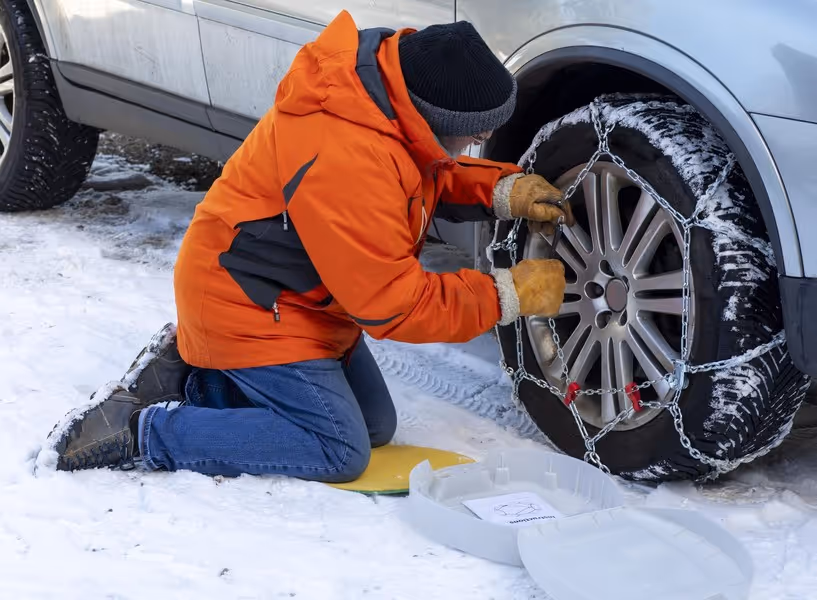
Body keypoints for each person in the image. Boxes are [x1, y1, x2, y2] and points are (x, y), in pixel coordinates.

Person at [50, 10, 574, 481]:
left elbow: (424, 166)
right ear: (432, 119)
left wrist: (500, 190)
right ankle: (141, 429)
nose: (477, 146)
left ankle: (198, 378)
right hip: (248, 305)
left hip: (302, 301)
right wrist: (507, 294)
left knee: (375, 425)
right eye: (472, 135)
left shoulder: (383, 95)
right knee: (339, 448)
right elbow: (394, 305)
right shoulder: (347, 157)